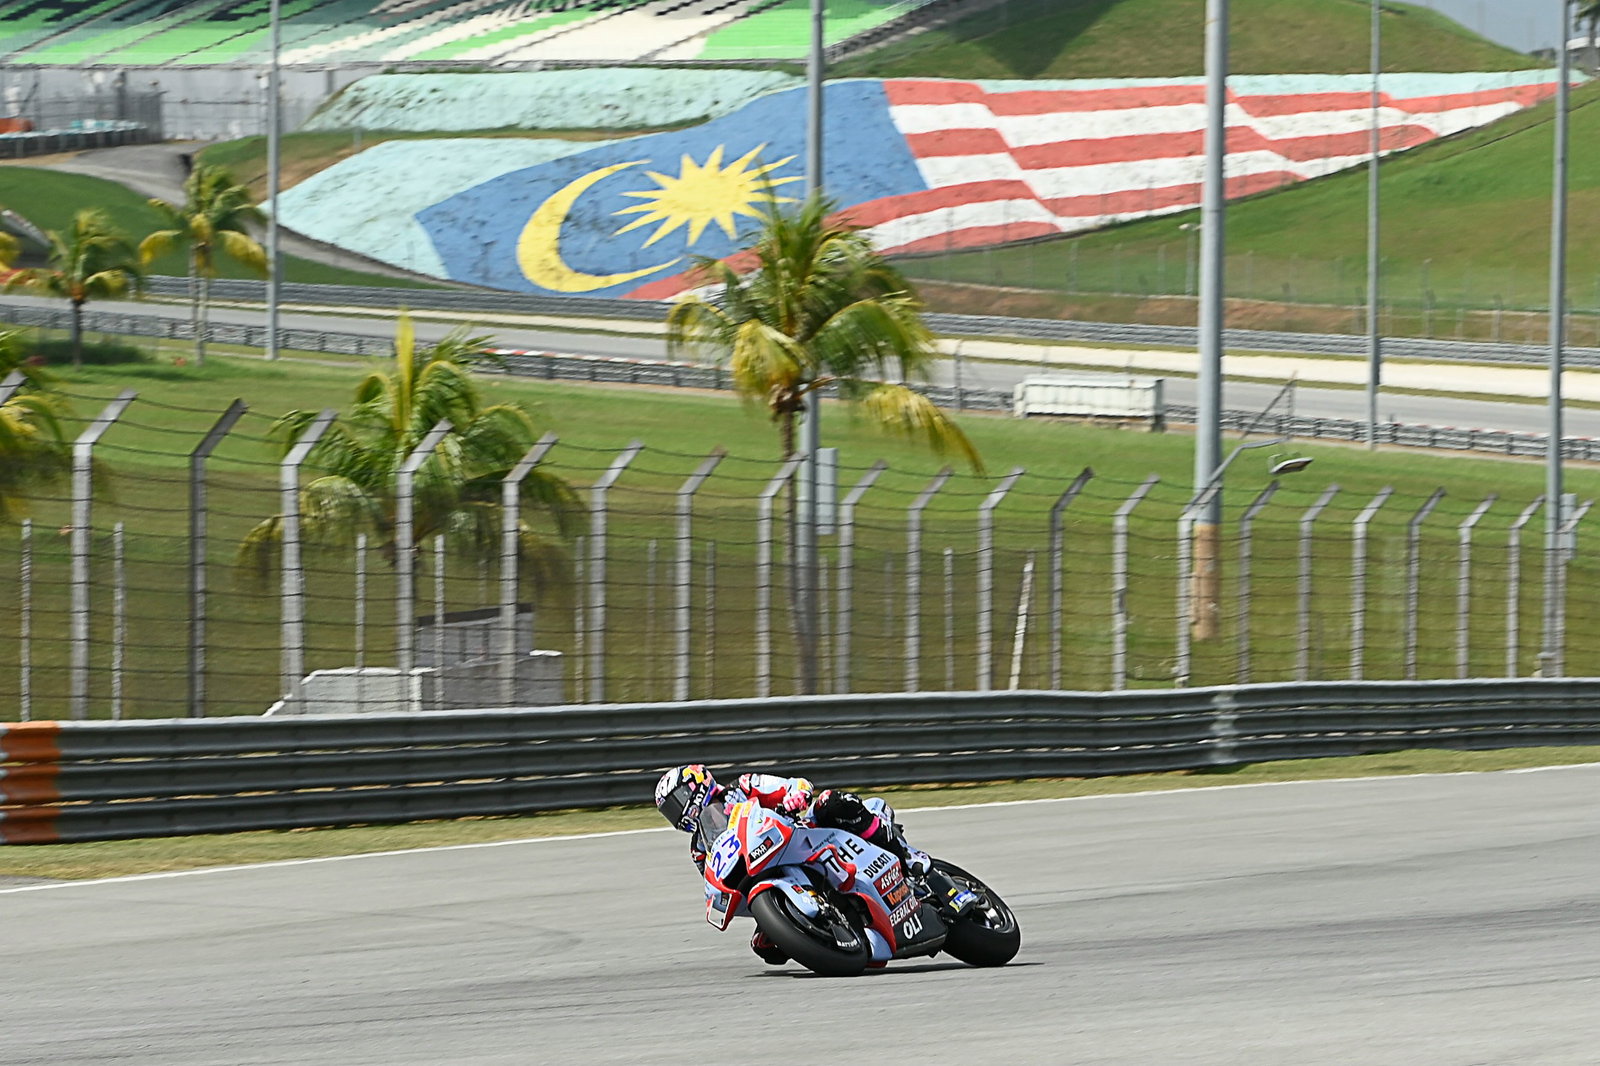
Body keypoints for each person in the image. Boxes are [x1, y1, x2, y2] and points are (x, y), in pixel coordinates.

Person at [653, 764, 933, 965]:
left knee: (832, 803)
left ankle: (906, 855)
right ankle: (832, 928)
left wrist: (794, 796)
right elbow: (716, 880)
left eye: (677, 801)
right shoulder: (699, 848)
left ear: (698, 784)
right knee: (767, 949)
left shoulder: (743, 787)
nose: (677, 813)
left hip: (801, 835)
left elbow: (793, 784)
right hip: (765, 871)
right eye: (670, 811)